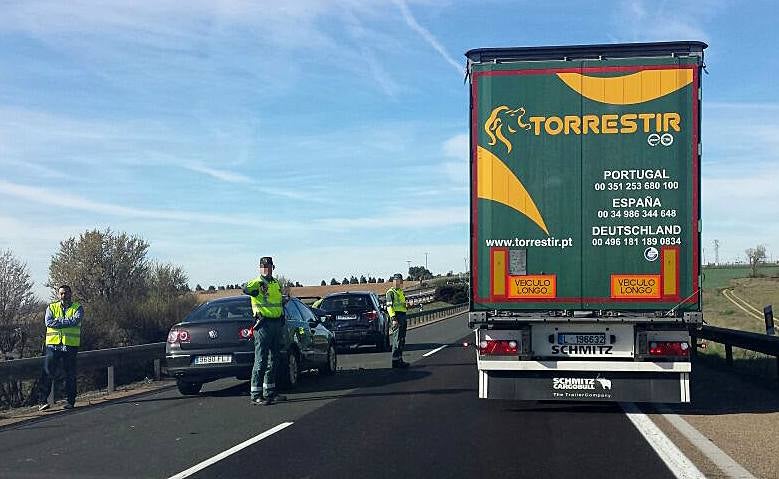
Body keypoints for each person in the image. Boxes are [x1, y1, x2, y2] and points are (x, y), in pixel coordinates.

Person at [243, 256, 286, 406]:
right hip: (263, 324)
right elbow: (246, 288)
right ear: (259, 268)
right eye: (263, 267)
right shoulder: (257, 282)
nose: (265, 269)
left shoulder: (275, 283)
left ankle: (270, 392)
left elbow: (278, 301)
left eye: (268, 266)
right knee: (261, 360)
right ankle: (256, 394)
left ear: (273, 267)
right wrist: (257, 285)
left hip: (276, 323)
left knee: (274, 359)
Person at [38, 285, 83, 411]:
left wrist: (58, 321)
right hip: (53, 345)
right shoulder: (51, 307)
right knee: (47, 372)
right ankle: (42, 401)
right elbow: (48, 322)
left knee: (70, 374)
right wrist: (66, 321)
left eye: (66, 293)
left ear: (71, 294)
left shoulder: (77, 307)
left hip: (70, 345)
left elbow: (75, 321)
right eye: (62, 293)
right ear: (58, 295)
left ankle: (70, 401)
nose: (64, 296)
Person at [386, 274, 409, 368]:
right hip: (396, 317)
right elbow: (389, 307)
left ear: (401, 282)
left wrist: (406, 305)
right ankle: (395, 361)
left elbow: (402, 304)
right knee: (397, 339)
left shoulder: (401, 292)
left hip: (403, 315)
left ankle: (400, 359)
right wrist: (393, 319)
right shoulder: (390, 292)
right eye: (395, 281)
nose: (397, 282)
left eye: (398, 281)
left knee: (402, 339)